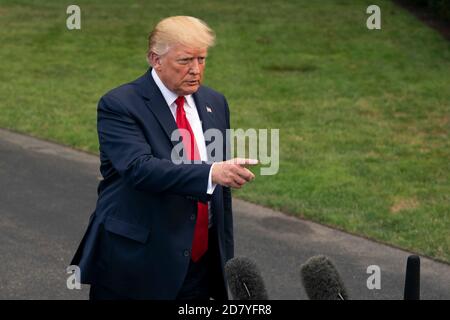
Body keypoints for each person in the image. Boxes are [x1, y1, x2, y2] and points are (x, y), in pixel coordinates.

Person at [70, 16, 257, 300]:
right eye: (185, 61)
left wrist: (223, 254)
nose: (196, 70)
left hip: (201, 265)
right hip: (139, 263)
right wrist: (211, 173)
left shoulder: (215, 102)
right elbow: (138, 168)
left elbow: (221, 195)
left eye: (202, 59)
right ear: (155, 59)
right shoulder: (120, 104)